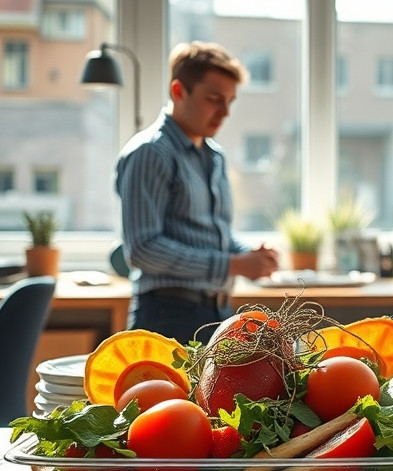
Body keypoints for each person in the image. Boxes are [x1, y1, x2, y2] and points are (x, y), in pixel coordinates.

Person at [115, 42, 279, 343]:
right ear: (178, 91)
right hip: (167, 314)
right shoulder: (150, 153)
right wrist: (234, 264)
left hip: (218, 312)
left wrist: (249, 255)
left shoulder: (214, 156)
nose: (225, 112)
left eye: (230, 101)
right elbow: (142, 249)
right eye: (214, 99)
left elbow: (214, 234)